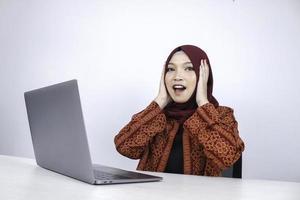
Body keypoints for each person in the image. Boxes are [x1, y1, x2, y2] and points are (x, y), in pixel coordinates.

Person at [114, 45, 245, 176]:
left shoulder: (222, 115)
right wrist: (160, 100)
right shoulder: (157, 117)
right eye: (170, 69)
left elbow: (229, 156)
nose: (177, 76)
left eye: (188, 68)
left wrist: (203, 102)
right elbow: (124, 147)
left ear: (203, 76)